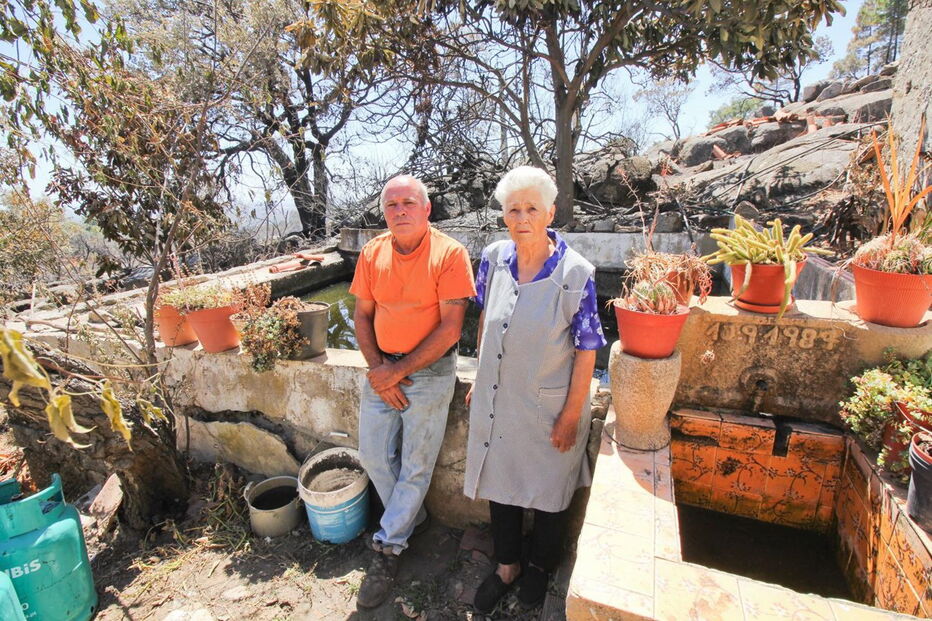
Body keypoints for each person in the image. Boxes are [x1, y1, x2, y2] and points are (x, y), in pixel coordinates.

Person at [463, 166, 606, 613]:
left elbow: (588, 348)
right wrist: (480, 379)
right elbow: (486, 318)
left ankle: (541, 566)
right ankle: (508, 565)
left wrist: (570, 414)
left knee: (549, 489)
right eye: (512, 209)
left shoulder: (575, 272)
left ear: (550, 211)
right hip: (500, 401)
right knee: (499, 481)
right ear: (503, 215)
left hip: (551, 406)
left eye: (531, 209)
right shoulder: (492, 257)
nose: (521, 218)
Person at [349, 174, 476, 609]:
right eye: (391, 206)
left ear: (427, 209)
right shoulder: (372, 252)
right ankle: (411, 518)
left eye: (408, 203)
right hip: (383, 364)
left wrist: (398, 370)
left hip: (430, 370)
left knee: (417, 465)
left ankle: (388, 547)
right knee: (373, 455)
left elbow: (451, 329)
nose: (399, 211)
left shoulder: (450, 254)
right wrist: (379, 369)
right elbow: (362, 317)